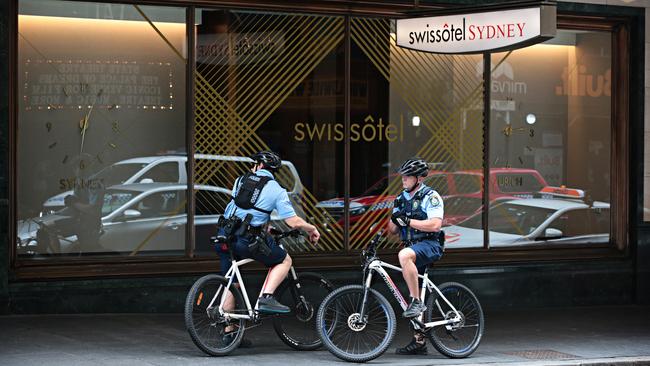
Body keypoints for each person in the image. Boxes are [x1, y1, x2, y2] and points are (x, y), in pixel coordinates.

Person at [217, 151, 320, 345]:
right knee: (284, 260)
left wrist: (267, 228)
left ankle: (229, 332)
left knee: (232, 281)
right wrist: (311, 228)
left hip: (225, 235)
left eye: (253, 164)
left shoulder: (240, 180)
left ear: (259, 166)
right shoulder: (277, 190)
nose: (251, 168)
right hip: (246, 240)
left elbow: (242, 210)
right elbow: (293, 221)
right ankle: (266, 297)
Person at [387, 157, 444, 356]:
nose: (403, 179)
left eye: (407, 176)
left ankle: (416, 301)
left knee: (403, 255)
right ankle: (419, 342)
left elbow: (435, 224)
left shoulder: (431, 196)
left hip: (430, 244)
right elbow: (392, 230)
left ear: (418, 179)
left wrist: (408, 221)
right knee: (410, 268)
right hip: (412, 247)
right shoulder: (401, 198)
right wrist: (395, 217)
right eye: (403, 175)